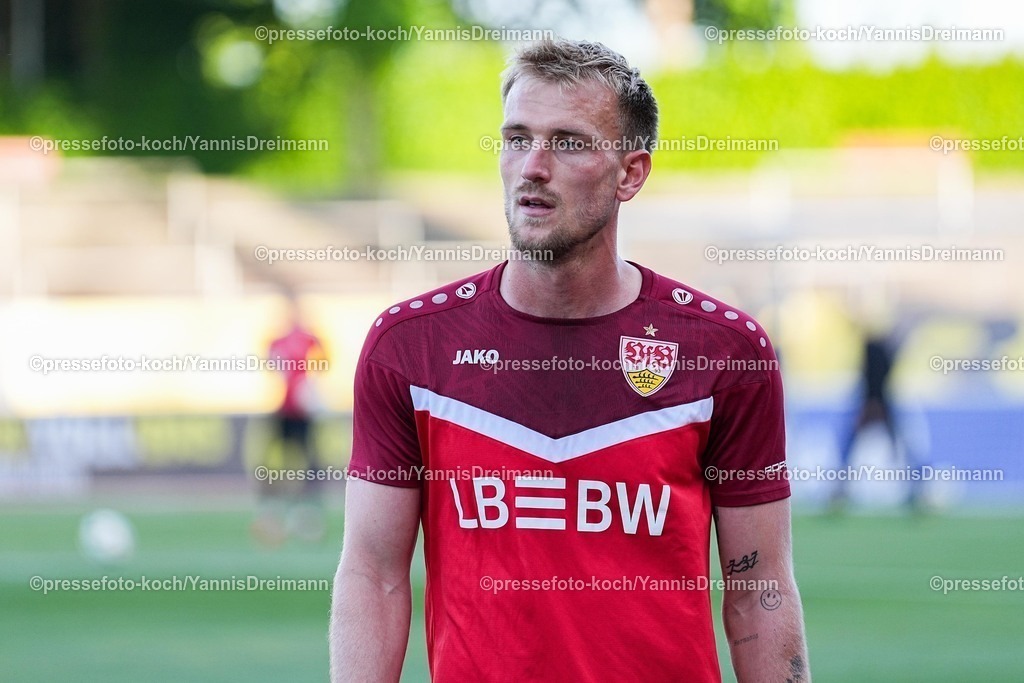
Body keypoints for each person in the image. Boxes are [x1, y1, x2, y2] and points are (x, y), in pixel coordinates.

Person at [330, 39, 809, 682]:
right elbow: (373, 575)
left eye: (569, 143)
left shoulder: (724, 351)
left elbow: (759, 590)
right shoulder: (411, 346)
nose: (533, 166)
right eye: (517, 138)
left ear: (630, 174)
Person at [251, 294, 327, 544]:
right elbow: (272, 365)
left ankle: (305, 507)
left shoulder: (308, 338)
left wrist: (311, 386)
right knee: (275, 459)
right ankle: (273, 505)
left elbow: (323, 361)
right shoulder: (280, 340)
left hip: (301, 410)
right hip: (284, 408)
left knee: (308, 459)